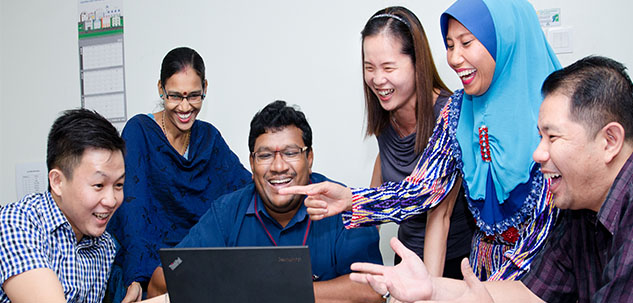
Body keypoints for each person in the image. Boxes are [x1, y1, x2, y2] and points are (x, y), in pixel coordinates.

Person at [282, 0, 561, 281]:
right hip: (478, 277)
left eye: (466, 43)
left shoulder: (556, 116)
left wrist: (477, 295)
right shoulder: (459, 111)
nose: (453, 58)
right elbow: (423, 190)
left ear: (506, 40)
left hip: (538, 278)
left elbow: (547, 234)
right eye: (450, 45)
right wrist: (351, 199)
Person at [349, 55, 633, 303]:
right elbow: (532, 293)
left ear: (610, 140)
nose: (538, 153)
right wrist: (431, 288)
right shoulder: (578, 214)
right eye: (539, 137)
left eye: (552, 137)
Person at [146, 100, 384, 302]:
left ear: (309, 158)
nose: (278, 167)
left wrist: (274, 292)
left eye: (291, 153)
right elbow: (163, 279)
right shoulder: (226, 213)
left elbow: (373, 291)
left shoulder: (342, 204)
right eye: (265, 155)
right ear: (251, 163)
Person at [106, 47, 251, 301]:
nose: (185, 107)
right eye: (175, 96)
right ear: (161, 88)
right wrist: (136, 279)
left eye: (194, 96)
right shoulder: (139, 131)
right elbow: (133, 213)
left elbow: (246, 190)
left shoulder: (208, 137)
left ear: (205, 87)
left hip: (198, 263)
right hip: (149, 267)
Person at [362, 6, 474, 278]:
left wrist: (429, 291)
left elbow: (439, 216)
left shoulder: (451, 116)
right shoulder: (387, 115)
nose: (378, 80)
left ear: (417, 63)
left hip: (453, 265)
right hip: (407, 261)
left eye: (389, 67)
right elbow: (385, 168)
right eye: (369, 68)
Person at [0, 109, 125, 303]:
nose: (111, 200)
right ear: (57, 182)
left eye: (118, 185)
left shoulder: (104, 245)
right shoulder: (16, 224)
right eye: (98, 185)